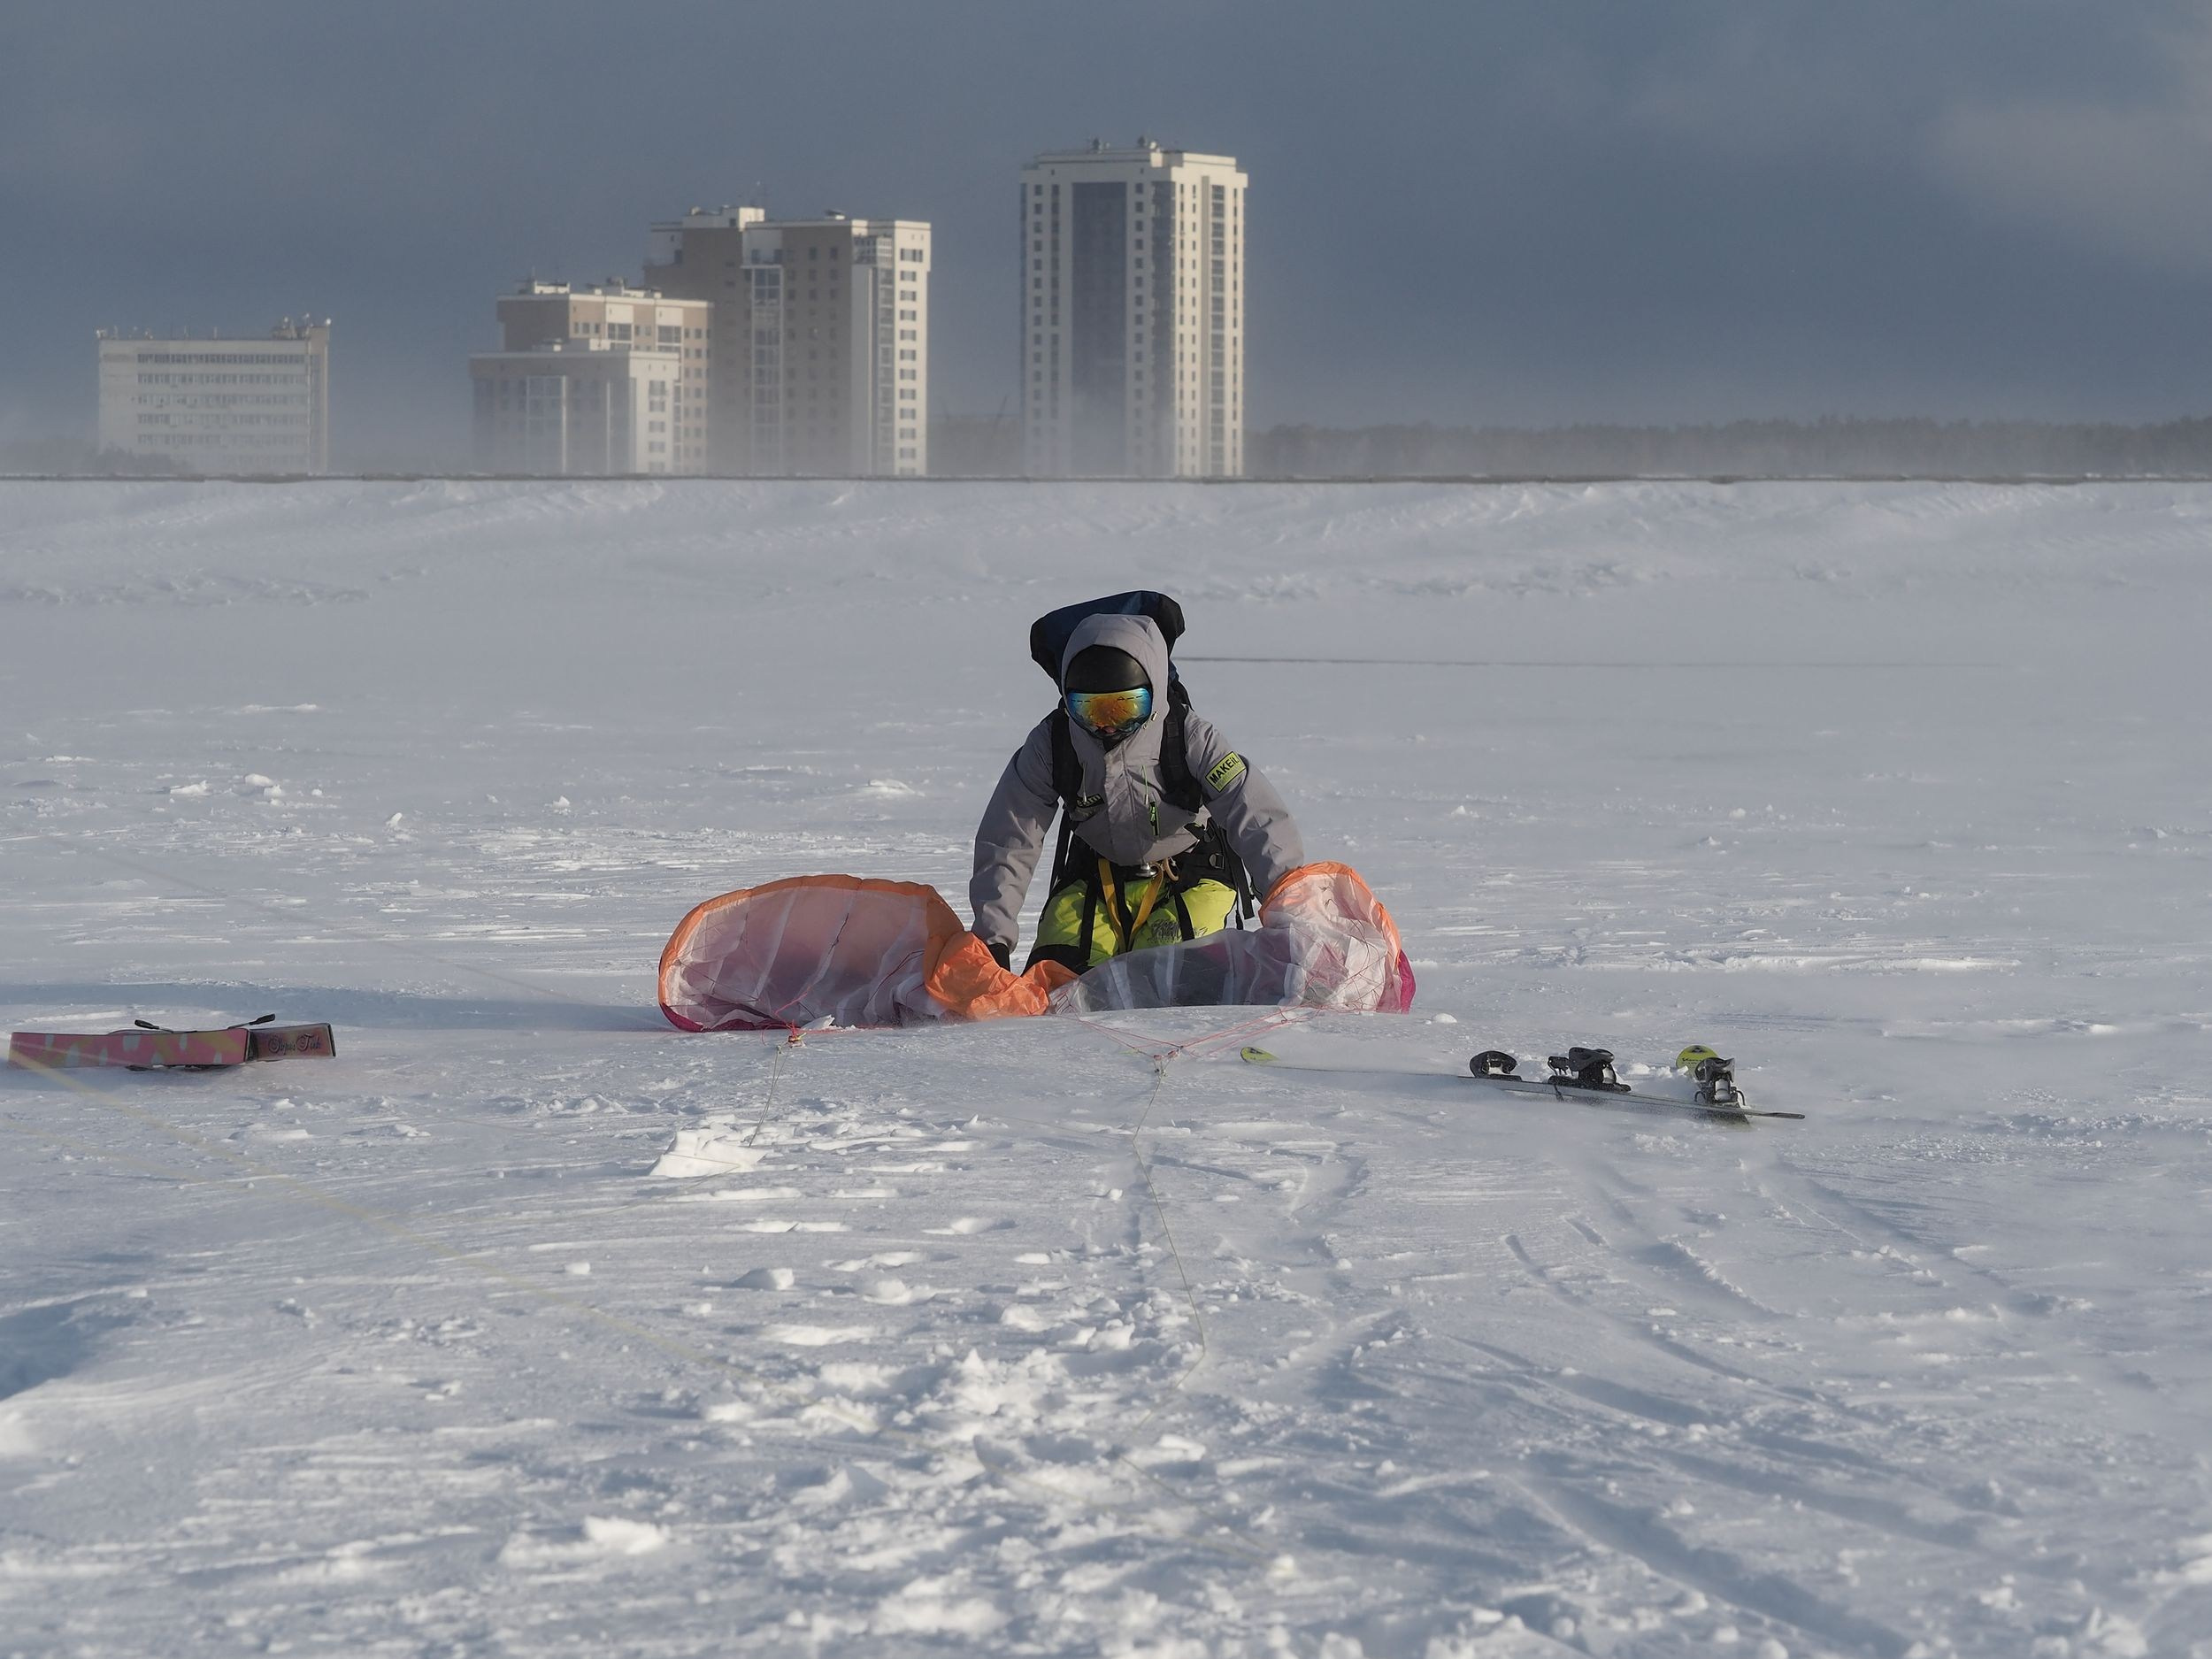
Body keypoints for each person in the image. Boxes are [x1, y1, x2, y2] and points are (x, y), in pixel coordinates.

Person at [971, 609, 1306, 973]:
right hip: (1094, 877)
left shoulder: (1190, 737)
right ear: (1068, 702)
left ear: (1154, 695)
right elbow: (1010, 838)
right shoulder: (1052, 744)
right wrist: (992, 938)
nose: (1108, 727)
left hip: (1191, 875)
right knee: (1058, 981)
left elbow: (1255, 816)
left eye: (1125, 708)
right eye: (1090, 710)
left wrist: (1292, 912)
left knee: (1166, 978)